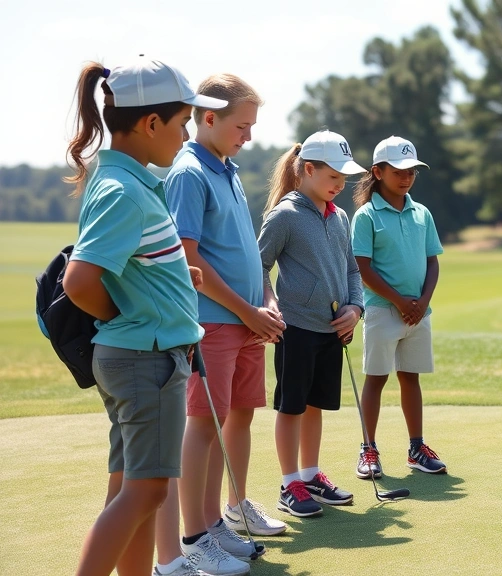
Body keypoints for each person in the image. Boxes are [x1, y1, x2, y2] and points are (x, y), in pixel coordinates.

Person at [60, 57, 226, 576]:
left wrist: (173, 286)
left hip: (139, 356)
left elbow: (131, 268)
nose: (185, 137)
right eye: (182, 125)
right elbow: (81, 282)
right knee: (146, 491)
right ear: (151, 124)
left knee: (133, 490)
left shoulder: (127, 182)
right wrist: (135, 315)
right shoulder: (123, 190)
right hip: (143, 357)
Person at [165, 73, 286, 574]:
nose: (249, 135)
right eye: (242, 125)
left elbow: (242, 253)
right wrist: (245, 310)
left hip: (244, 320)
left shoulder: (227, 168)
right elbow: (189, 261)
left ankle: (214, 522)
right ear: (208, 118)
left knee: (229, 421)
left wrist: (266, 300)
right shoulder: (189, 172)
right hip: (214, 323)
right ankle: (194, 536)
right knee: (203, 425)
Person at [258, 130, 365, 518]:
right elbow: (259, 265)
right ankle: (290, 484)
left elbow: (352, 269)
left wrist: (356, 309)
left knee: (315, 405)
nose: (339, 185)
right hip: (296, 328)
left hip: (331, 329)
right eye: (333, 176)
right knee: (292, 408)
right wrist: (270, 303)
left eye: (344, 178)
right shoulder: (285, 215)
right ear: (307, 170)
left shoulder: (339, 218)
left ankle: (310, 474)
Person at [349, 136, 446, 480]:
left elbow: (432, 262)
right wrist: (400, 301)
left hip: (418, 312)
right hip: (381, 311)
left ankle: (416, 448)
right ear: (378, 171)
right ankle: (368, 449)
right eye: (399, 171)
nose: (406, 177)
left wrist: (422, 303)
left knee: (411, 378)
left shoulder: (422, 212)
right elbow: (363, 268)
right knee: (376, 380)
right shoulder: (365, 215)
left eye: (412, 171)